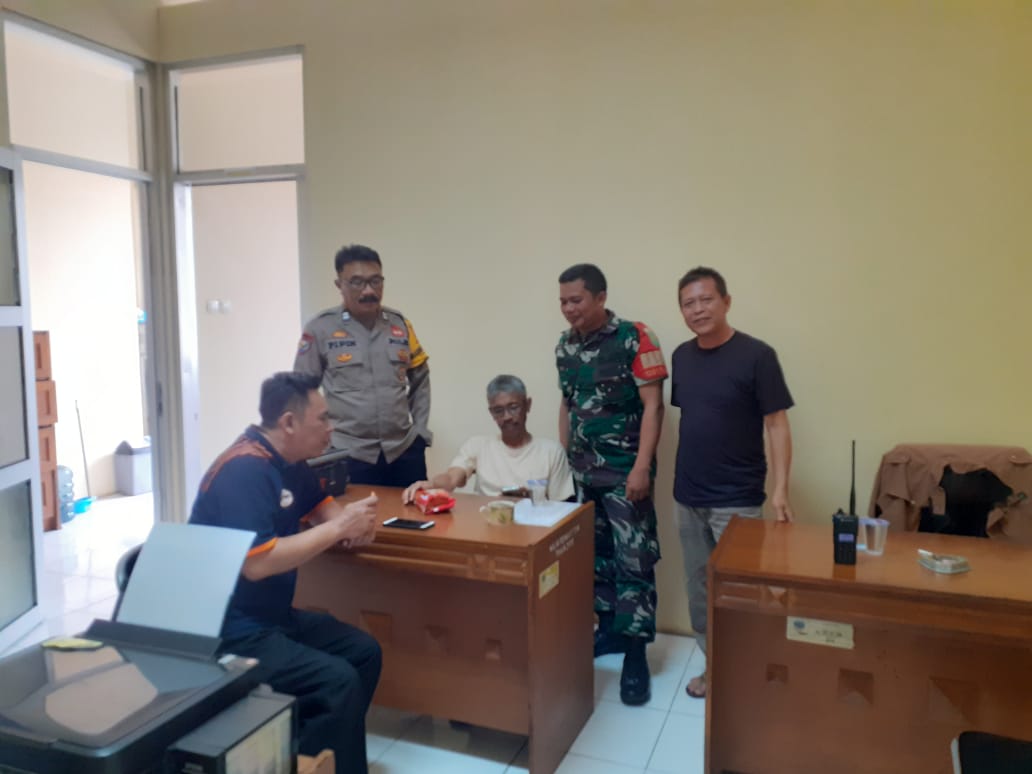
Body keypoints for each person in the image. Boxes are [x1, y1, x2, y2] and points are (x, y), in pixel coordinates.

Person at [189, 372, 381, 774]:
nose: (331, 428)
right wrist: (339, 529)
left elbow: (324, 511)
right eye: (323, 419)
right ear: (289, 422)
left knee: (364, 652)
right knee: (337, 681)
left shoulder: (291, 463)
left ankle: (310, 759)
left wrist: (355, 524)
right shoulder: (244, 470)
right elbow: (258, 564)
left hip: (273, 618)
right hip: (230, 630)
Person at [671, 266, 794, 700]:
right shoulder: (681, 357)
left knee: (742, 593)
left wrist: (781, 489)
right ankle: (715, 668)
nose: (698, 309)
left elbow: (776, 424)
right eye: (688, 303)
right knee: (699, 592)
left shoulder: (757, 355)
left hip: (737, 499)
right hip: (687, 497)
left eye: (706, 299)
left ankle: (748, 675)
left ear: (726, 301)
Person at [555, 263, 667, 706]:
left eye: (576, 300)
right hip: (585, 475)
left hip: (625, 474)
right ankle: (610, 633)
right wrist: (566, 458)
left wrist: (642, 467)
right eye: (563, 302)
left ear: (600, 297)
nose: (569, 309)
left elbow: (654, 406)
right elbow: (567, 404)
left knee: (633, 561)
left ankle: (636, 654)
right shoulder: (565, 345)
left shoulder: (634, 337)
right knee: (596, 558)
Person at [294, 244, 431, 487]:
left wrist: (420, 431)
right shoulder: (320, 329)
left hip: (402, 451)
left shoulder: (400, 324)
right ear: (339, 284)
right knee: (352, 512)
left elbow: (420, 378)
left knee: (415, 511)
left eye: (375, 281)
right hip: (348, 453)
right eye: (357, 282)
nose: (369, 290)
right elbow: (301, 391)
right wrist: (319, 440)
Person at [402, 374, 575, 503]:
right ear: (491, 413)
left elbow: (562, 508)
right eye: (498, 411)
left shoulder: (551, 452)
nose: (507, 417)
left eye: (513, 407)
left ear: (527, 405)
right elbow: (452, 478)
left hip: (535, 531)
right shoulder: (478, 446)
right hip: (487, 529)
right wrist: (431, 484)